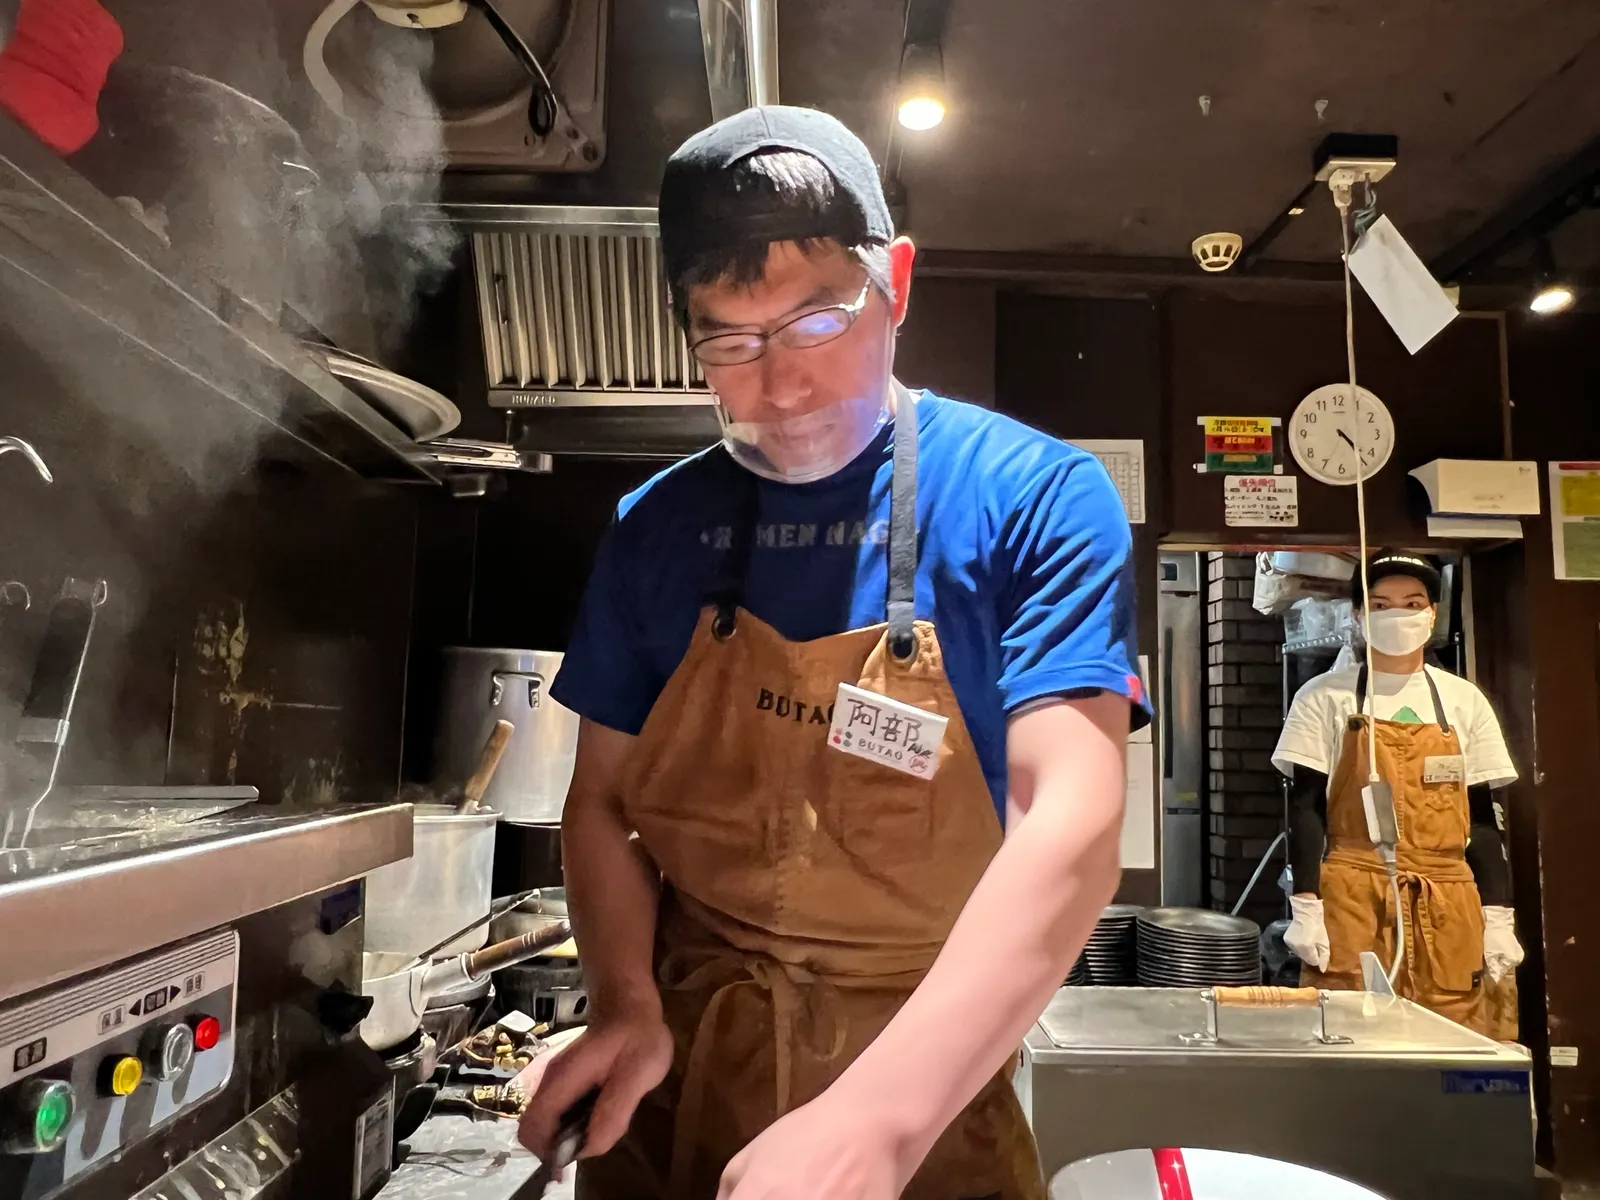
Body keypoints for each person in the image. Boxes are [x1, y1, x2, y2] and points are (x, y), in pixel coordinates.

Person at [515, 106, 1147, 1200]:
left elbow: (1074, 821)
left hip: (924, 1094)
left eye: (815, 323)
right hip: (679, 1088)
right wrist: (626, 1003)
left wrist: (882, 1117)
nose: (781, 383)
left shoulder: (1033, 496)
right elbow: (601, 802)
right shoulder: (656, 527)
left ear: (893, 280)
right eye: (729, 339)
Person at [1272, 550, 1524, 1039]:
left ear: (1432, 614)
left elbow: (1481, 818)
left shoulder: (1463, 701)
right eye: (1382, 604)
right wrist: (1306, 907)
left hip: (1447, 895)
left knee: (1453, 1033)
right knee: (1349, 1030)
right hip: (1353, 891)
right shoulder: (1324, 697)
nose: (1399, 615)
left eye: (1412, 603)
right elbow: (1305, 808)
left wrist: (1497, 916)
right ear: (1359, 616)